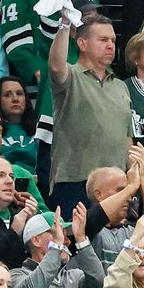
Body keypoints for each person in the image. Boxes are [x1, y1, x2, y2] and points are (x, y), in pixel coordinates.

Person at [48, 13, 132, 213]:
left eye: (113, 40)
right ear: (82, 44)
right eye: (103, 40)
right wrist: (65, 24)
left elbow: (127, 138)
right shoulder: (71, 76)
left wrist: (134, 178)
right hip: (75, 181)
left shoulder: (121, 86)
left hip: (117, 184)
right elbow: (55, 66)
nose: (110, 45)